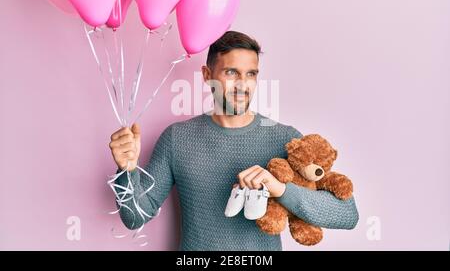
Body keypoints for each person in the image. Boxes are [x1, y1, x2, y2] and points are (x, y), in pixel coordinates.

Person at [109, 31, 359, 250]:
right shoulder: (177, 138)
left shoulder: (285, 139)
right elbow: (135, 217)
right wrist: (127, 171)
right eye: (231, 72)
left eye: (251, 74)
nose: (243, 84)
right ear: (207, 75)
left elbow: (348, 215)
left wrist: (280, 189)